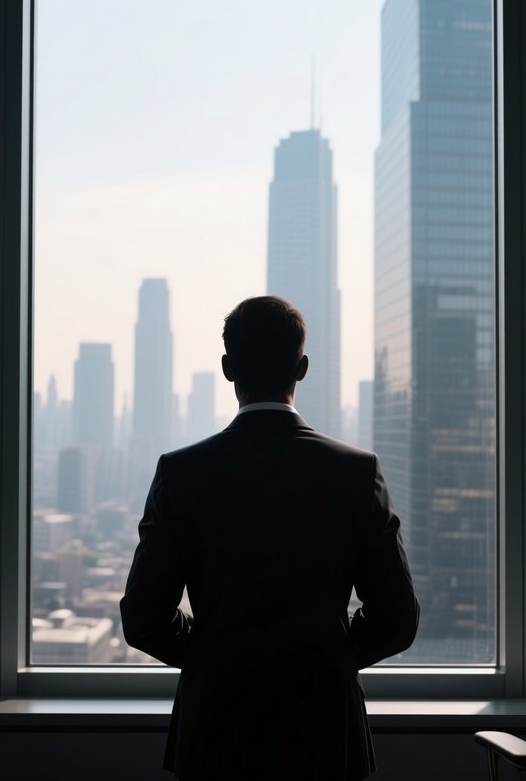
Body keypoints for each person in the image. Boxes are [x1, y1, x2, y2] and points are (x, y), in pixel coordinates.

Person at [121, 296, 419, 781]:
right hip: (324, 729)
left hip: (217, 729)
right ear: (301, 368)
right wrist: (329, 656)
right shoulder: (355, 473)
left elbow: (142, 618)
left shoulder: (182, 474)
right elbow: (398, 617)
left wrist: (214, 657)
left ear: (227, 367)